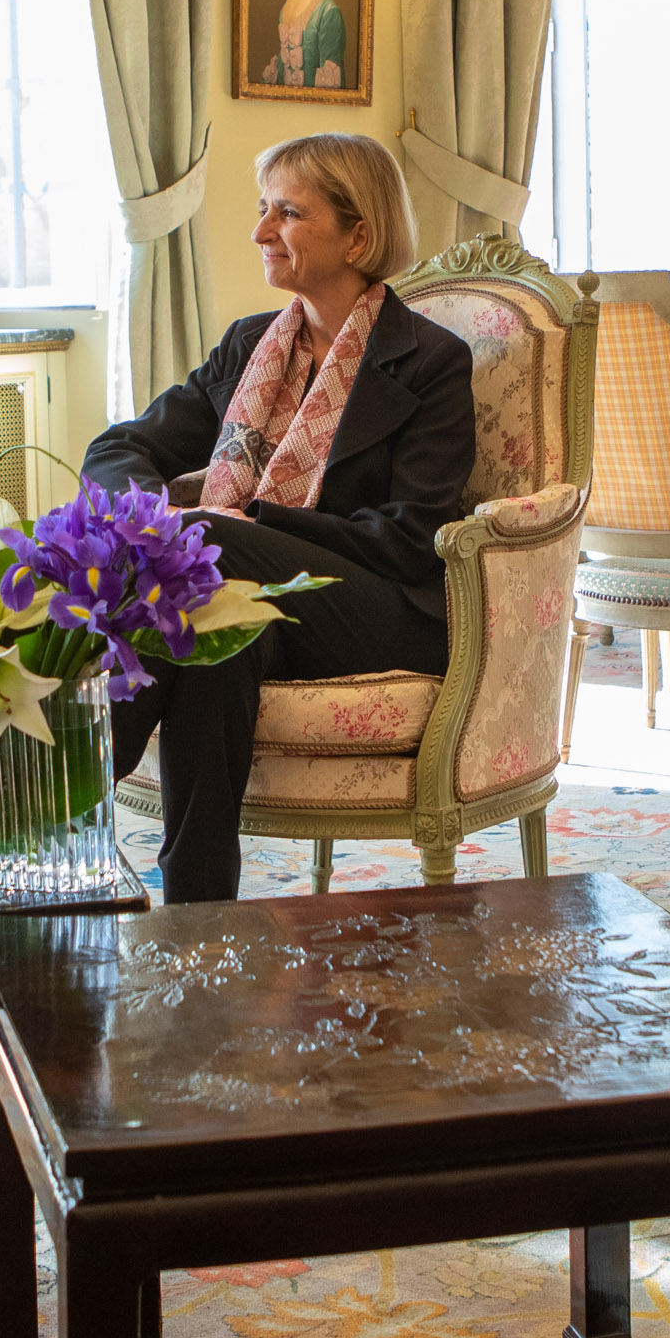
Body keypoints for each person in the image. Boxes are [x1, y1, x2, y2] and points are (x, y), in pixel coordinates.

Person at [84, 132, 471, 900]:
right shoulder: (249, 345)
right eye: (264, 210)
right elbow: (121, 445)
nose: (261, 231)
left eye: (286, 213)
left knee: (210, 546)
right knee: (213, 639)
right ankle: (198, 907)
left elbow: (408, 535)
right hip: (256, 597)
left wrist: (259, 529)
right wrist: (146, 514)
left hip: (382, 605)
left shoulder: (428, 360)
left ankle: (65, 780)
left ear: (358, 234)